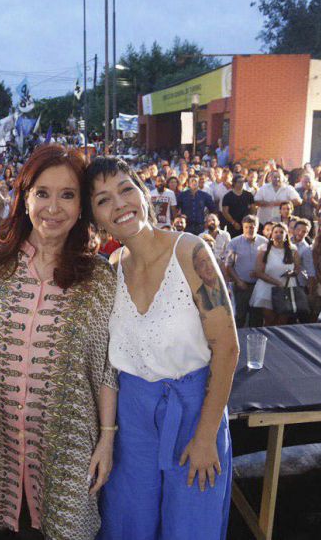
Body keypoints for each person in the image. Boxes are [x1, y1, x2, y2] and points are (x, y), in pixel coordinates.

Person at [0, 145, 117, 538]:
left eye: (67, 194)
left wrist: (106, 439)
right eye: (42, 193)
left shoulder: (97, 278)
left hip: (65, 443)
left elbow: (106, 367)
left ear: (81, 205)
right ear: (25, 198)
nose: (53, 207)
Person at [85, 156, 237, 540]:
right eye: (103, 200)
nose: (119, 204)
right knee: (127, 523)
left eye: (125, 189)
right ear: (95, 219)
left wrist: (205, 437)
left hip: (193, 410)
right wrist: (107, 436)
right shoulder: (112, 268)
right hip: (131, 418)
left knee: (191, 526)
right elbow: (107, 363)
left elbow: (227, 347)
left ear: (142, 192)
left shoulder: (191, 252)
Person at [250, 222, 302, 326]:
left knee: (282, 321)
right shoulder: (264, 249)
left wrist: (292, 273)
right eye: (276, 232)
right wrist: (276, 282)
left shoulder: (293, 250)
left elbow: (297, 268)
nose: (278, 234)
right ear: (272, 234)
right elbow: (258, 272)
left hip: (286, 288)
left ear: (286, 235)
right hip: (267, 289)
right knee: (269, 320)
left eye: (281, 232)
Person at [224, 215, 267, 328]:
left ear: (257, 227)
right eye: (247, 227)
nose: (249, 230)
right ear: (243, 227)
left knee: (257, 317)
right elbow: (228, 265)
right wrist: (238, 281)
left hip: (259, 285)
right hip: (242, 285)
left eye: (252, 227)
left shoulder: (264, 243)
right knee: (240, 316)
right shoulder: (234, 243)